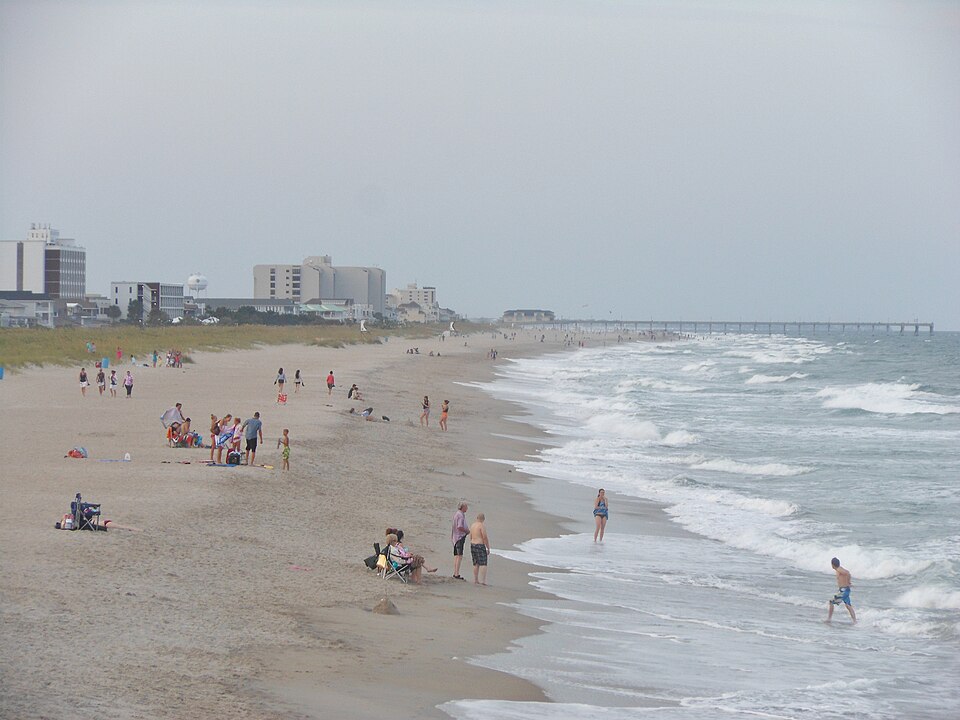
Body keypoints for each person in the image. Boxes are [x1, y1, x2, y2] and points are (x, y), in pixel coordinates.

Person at [827, 557, 857, 624]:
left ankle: (829, 619)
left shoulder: (839, 570)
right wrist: (848, 583)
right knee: (848, 605)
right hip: (845, 590)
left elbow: (847, 573)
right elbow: (847, 573)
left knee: (831, 602)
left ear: (832, 564)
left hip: (844, 590)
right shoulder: (839, 569)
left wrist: (848, 582)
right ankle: (855, 621)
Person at [470, 513, 490, 585]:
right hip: (479, 545)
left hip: (473, 544)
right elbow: (484, 537)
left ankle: (476, 579)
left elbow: (471, 536)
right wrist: (487, 547)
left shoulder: (473, 525)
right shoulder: (481, 526)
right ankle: (483, 581)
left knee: (475, 563)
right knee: (483, 563)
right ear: (483, 519)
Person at [451, 502, 469, 580]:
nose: (467, 508)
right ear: (463, 507)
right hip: (459, 537)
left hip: (455, 537)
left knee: (456, 556)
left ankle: (455, 572)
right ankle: (456, 573)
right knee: (459, 556)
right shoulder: (460, 515)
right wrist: (466, 531)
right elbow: (459, 526)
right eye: (466, 507)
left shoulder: (457, 514)